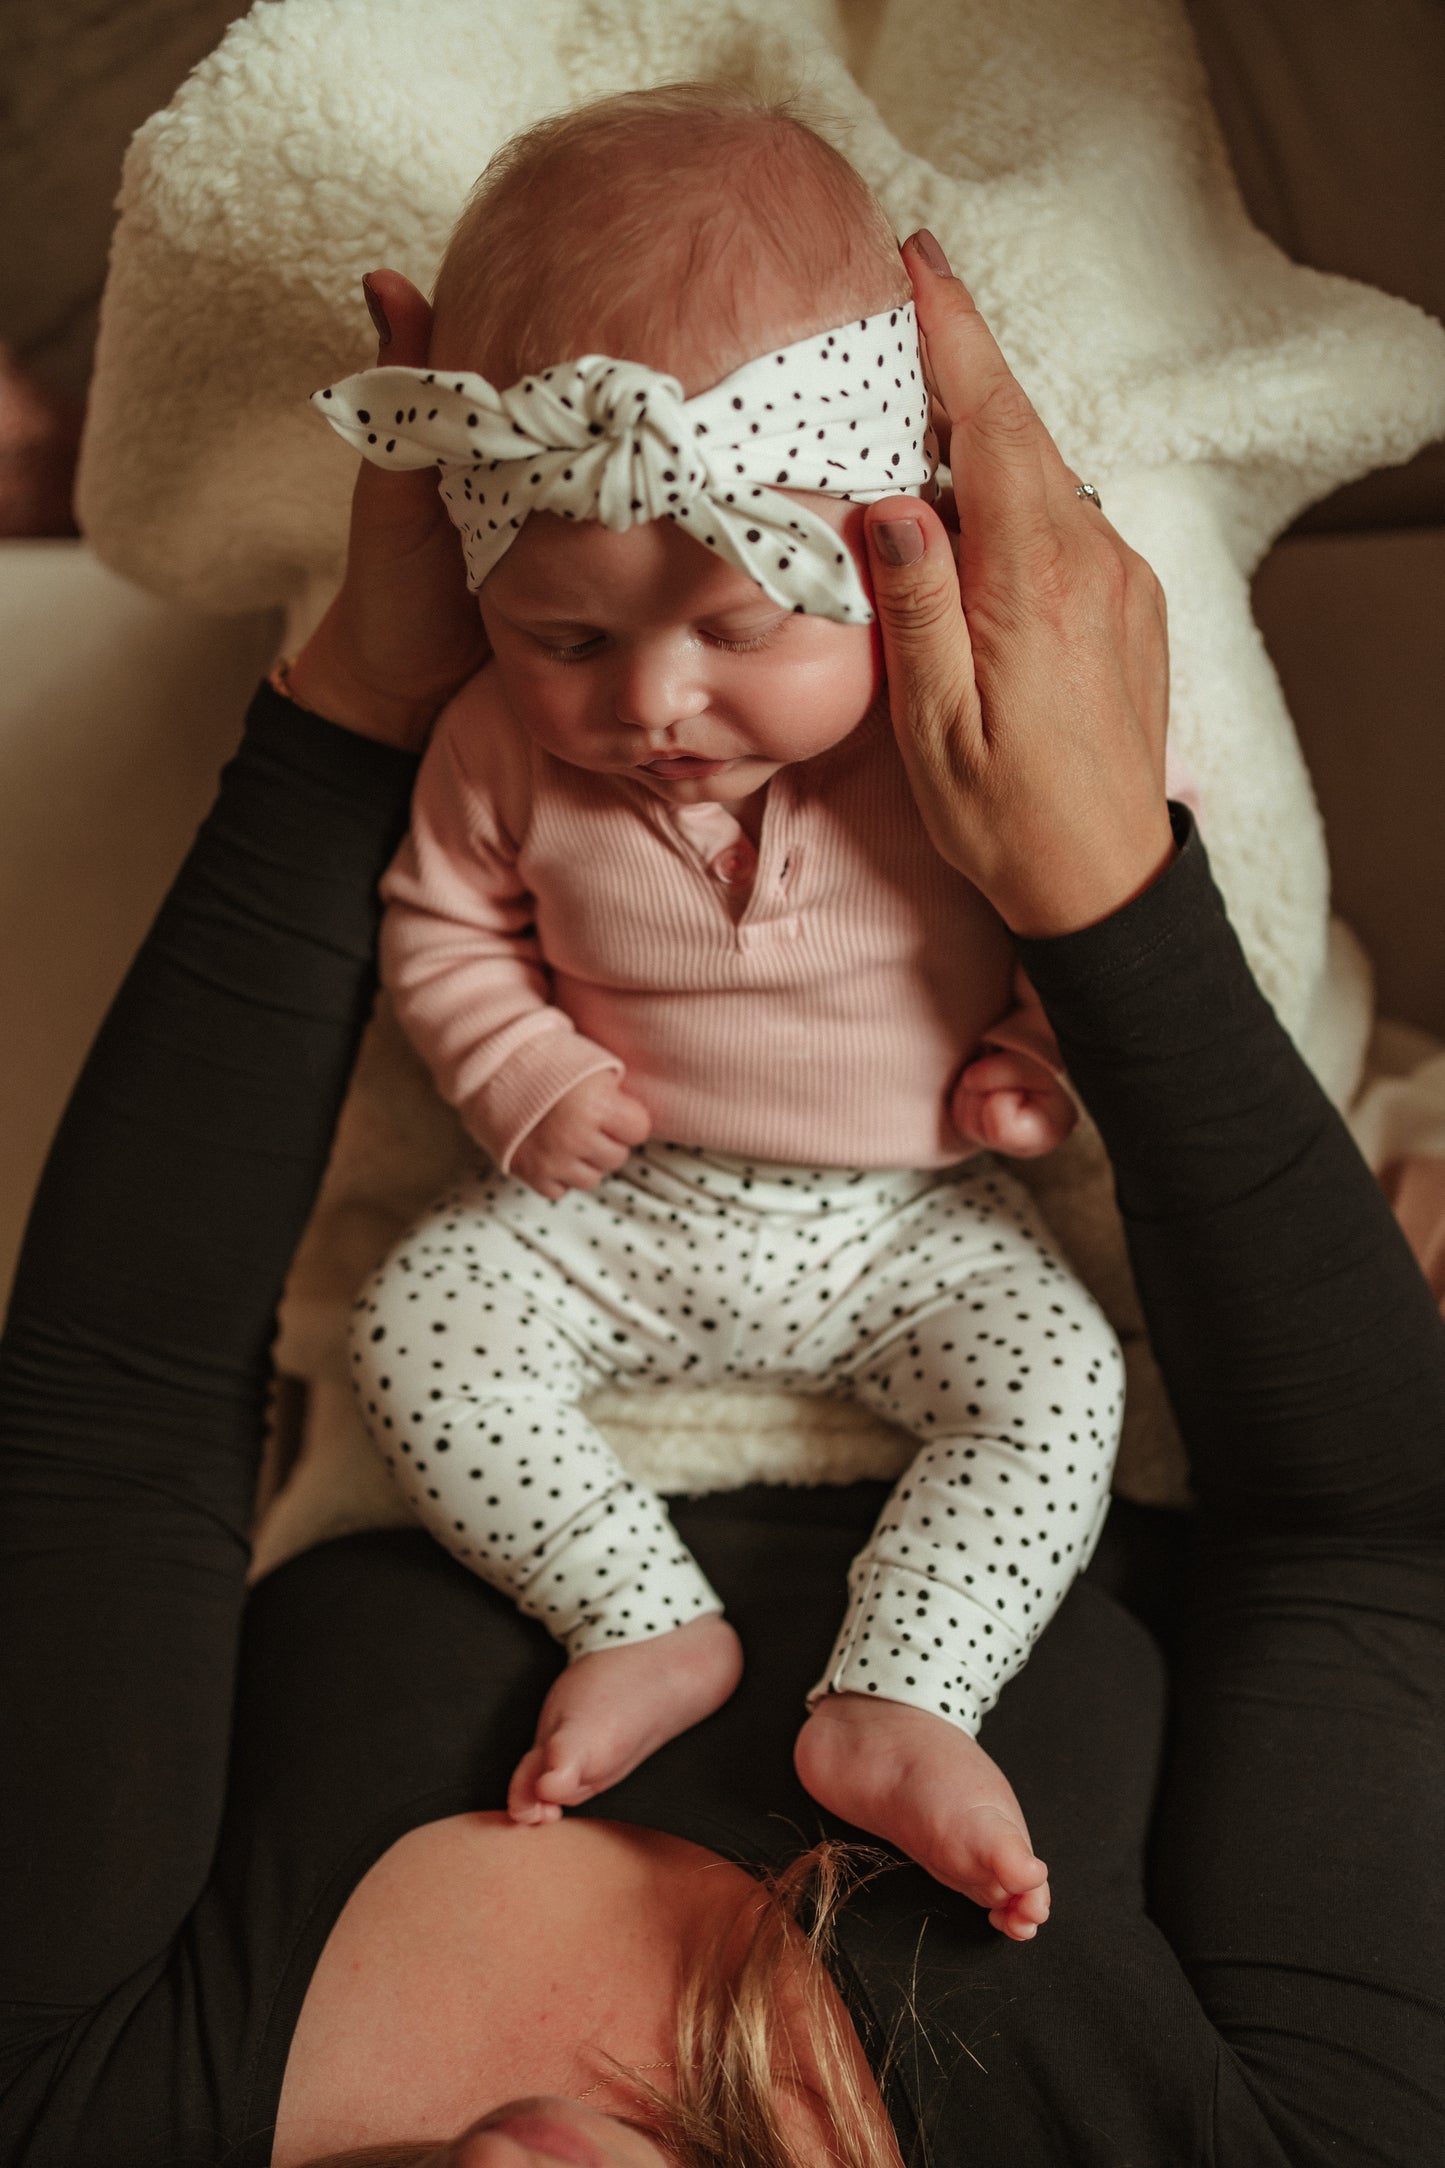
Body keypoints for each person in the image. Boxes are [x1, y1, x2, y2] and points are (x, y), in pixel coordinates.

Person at [1, 222, 1442, 2168]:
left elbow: (110, 1415)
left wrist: (367, 689)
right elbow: (1364, 1543)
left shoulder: (93, 2104)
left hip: (578, 1303)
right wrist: (1104, 892)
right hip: (974, 1320)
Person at [322, 88, 1123, 1935]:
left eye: (741, 630)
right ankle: (639, 1614)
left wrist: (1033, 1062)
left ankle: (898, 1691)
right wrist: (520, 1070)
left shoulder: (942, 750)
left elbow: (1071, 917)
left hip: (911, 1226)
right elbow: (437, 929)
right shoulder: (487, 755)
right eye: (568, 639)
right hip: (626, 1205)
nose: (653, 703)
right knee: (423, 1319)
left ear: (883, 553)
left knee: (1059, 1380)